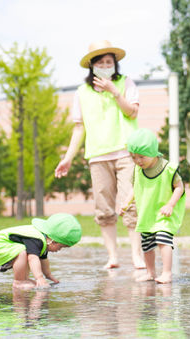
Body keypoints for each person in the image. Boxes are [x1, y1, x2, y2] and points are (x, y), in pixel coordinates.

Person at [54, 40, 145, 270]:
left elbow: (132, 113)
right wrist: (68, 157)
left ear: (115, 65)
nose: (106, 65)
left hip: (126, 153)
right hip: (97, 156)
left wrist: (115, 93)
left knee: (131, 204)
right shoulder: (81, 93)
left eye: (109, 62)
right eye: (101, 62)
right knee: (104, 208)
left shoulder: (126, 83)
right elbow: (78, 128)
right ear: (92, 66)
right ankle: (113, 256)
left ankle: (136, 256)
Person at [124, 128, 185, 284]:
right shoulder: (137, 170)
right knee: (147, 245)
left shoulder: (167, 168)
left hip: (164, 213)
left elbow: (179, 187)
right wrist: (126, 202)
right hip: (147, 214)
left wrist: (171, 204)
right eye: (134, 157)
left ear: (153, 152)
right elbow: (134, 187)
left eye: (142, 157)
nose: (138, 161)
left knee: (163, 239)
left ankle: (167, 273)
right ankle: (151, 273)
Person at [0, 213, 82, 290]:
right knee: (23, 252)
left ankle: (24, 279)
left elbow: (43, 260)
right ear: (53, 241)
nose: (58, 251)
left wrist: (48, 276)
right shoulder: (36, 239)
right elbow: (33, 258)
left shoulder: (44, 241)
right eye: (60, 247)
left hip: (4, 248)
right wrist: (39, 278)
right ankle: (19, 282)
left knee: (26, 251)